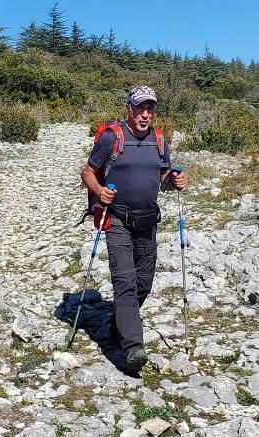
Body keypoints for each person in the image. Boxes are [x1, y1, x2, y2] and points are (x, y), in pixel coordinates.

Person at [81, 85, 188, 373]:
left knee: (145, 283)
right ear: (129, 108)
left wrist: (174, 180)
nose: (145, 114)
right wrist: (100, 191)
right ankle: (132, 347)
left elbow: (163, 174)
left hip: (147, 220)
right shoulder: (111, 137)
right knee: (125, 281)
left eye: (150, 108)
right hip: (116, 218)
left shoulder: (160, 140)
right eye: (140, 108)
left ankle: (120, 322)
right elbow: (88, 171)